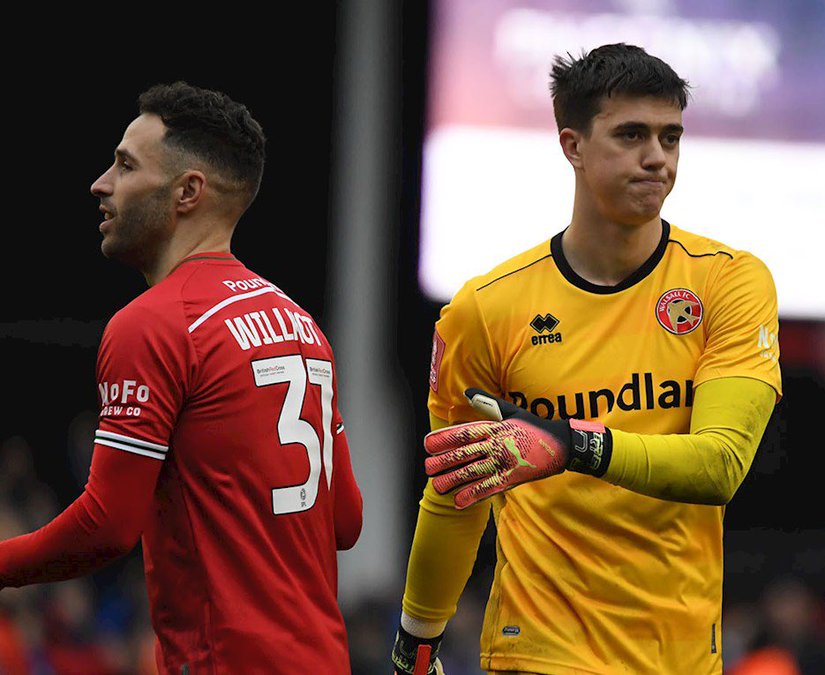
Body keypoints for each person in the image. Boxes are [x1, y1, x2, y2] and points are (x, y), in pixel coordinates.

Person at [391, 43, 783, 674]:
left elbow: (720, 465)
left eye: (670, 136)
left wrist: (571, 443)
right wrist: (415, 640)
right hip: (538, 652)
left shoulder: (728, 283)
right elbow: (457, 488)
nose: (657, 157)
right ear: (571, 145)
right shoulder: (486, 309)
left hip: (678, 658)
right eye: (631, 135)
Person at [0, 81, 363, 673]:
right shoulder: (302, 326)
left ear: (187, 192)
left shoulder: (153, 324)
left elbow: (106, 526)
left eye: (124, 165)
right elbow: (344, 521)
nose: (101, 183)